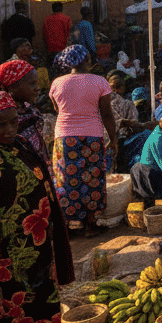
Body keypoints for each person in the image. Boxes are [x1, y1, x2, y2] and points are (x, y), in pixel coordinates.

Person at [0, 90, 75, 323]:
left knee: (43, 299)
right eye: (0, 124)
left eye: (13, 121)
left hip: (38, 246)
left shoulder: (21, 144)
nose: (9, 129)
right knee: (16, 307)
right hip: (6, 256)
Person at [48, 45, 116, 236]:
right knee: (92, 177)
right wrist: (114, 139)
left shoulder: (57, 83)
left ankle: (67, 225)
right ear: (87, 59)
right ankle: (90, 225)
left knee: (66, 179)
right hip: (92, 136)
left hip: (64, 137)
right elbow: (107, 115)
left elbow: (57, 109)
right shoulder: (99, 82)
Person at [105, 71, 152, 171]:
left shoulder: (102, 102)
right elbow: (134, 126)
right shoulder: (128, 104)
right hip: (122, 141)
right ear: (123, 88)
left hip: (106, 140)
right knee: (146, 135)